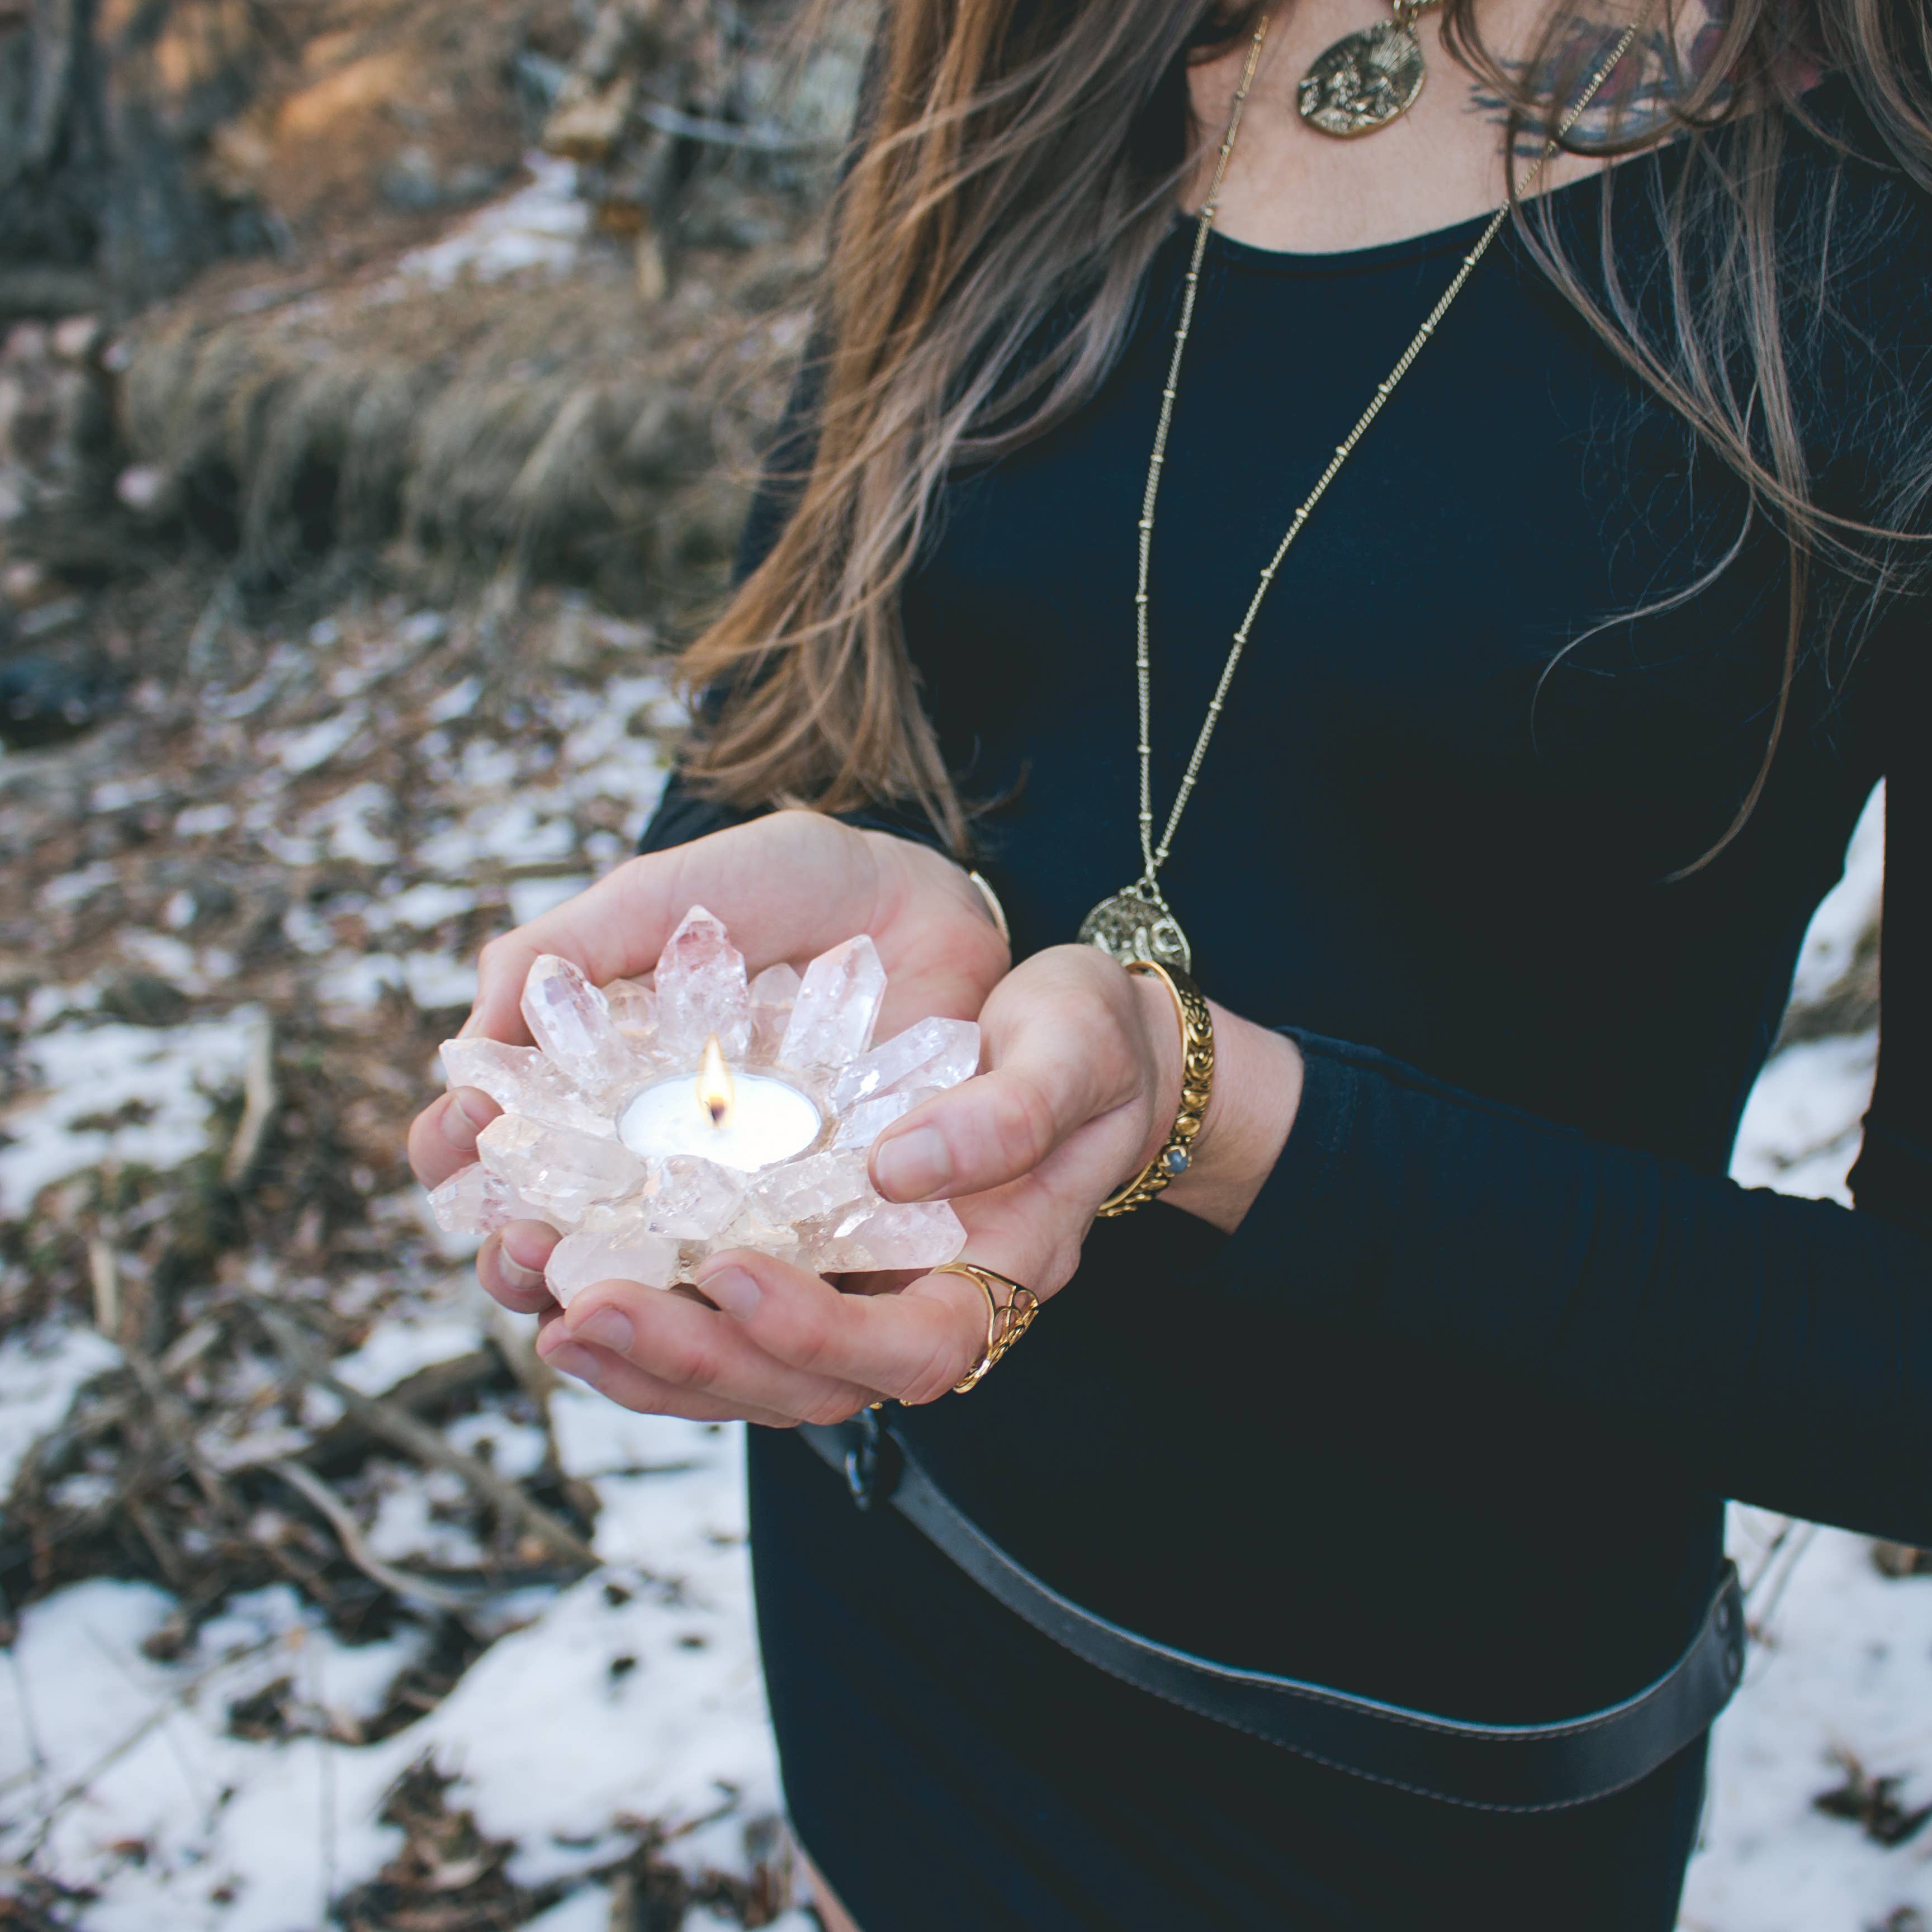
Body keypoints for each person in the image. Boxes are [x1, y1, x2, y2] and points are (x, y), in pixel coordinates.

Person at [408, 0, 1932, 1923]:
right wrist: (716, 943)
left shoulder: (1882, 211)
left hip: (1401, 1775)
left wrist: (1214, 1110)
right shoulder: (1030, 47)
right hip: (891, 1582)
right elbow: (797, 710)